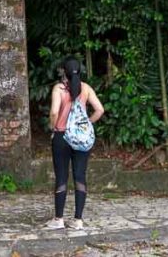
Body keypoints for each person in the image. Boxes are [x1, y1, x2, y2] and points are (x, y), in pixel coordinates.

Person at [44, 56, 104, 230]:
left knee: (62, 177)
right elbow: (100, 110)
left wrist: (53, 127)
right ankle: (78, 220)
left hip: (62, 137)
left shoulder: (59, 89)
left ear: (64, 71)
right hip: (81, 137)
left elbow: (54, 112)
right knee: (80, 176)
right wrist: (87, 124)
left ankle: (59, 219)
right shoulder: (86, 88)